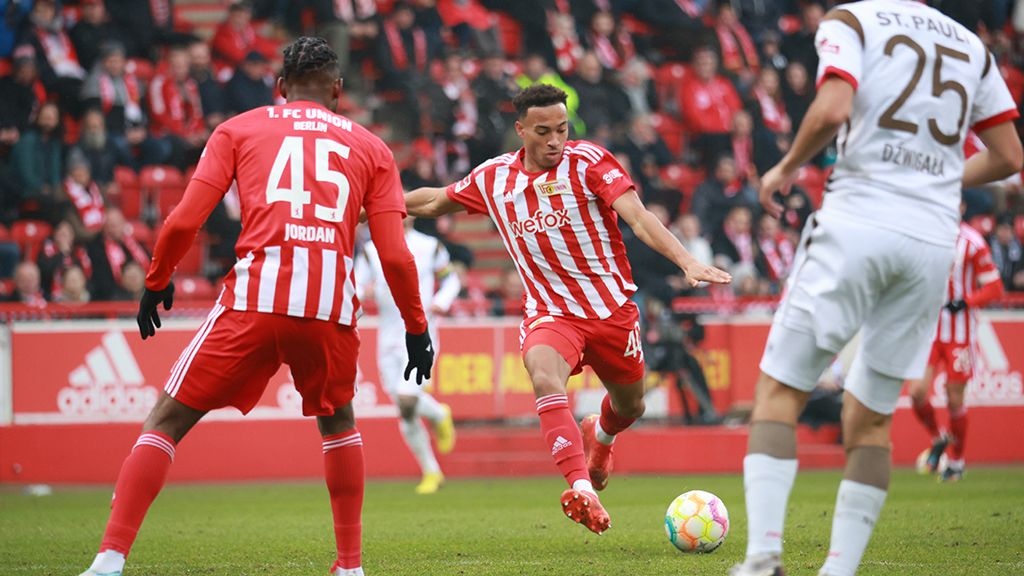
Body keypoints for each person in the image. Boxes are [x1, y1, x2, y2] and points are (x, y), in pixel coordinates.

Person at [78, 36, 434, 576]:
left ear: (279, 87)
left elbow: (182, 221)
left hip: (255, 300)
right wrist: (416, 327)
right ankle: (351, 566)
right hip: (328, 310)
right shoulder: (373, 148)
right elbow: (396, 257)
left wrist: (157, 279)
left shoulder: (238, 128)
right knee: (339, 423)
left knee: (167, 420)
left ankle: (109, 560)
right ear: (338, 91)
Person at [731, 2, 1023, 576]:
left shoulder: (855, 19)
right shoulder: (973, 47)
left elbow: (833, 106)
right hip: (931, 241)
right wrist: (934, 180)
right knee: (873, 421)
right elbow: (1010, 156)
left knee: (779, 391)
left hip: (859, 220)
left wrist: (787, 166)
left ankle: (764, 558)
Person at [403, 83, 731, 535]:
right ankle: (582, 489)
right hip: (551, 313)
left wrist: (687, 260)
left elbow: (637, 216)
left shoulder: (590, 163)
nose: (555, 140)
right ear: (521, 130)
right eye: (543, 131)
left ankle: (602, 437)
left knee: (630, 405)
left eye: (561, 128)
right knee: (542, 374)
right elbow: (435, 200)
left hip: (612, 309)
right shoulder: (494, 178)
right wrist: (378, 205)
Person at [354, 217, 460, 494]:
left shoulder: (430, 246)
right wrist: (361, 293)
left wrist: (441, 301)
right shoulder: (371, 249)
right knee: (405, 409)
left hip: (420, 333)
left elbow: (451, 280)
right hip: (387, 336)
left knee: (407, 398)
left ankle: (437, 415)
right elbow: (355, 284)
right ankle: (431, 471)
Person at [907, 218, 1004, 482]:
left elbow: (995, 287)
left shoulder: (972, 242)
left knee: (954, 399)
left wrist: (967, 301)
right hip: (928, 331)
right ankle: (939, 438)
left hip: (960, 334)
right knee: (916, 392)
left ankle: (957, 463)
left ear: (960, 207)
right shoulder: (922, 234)